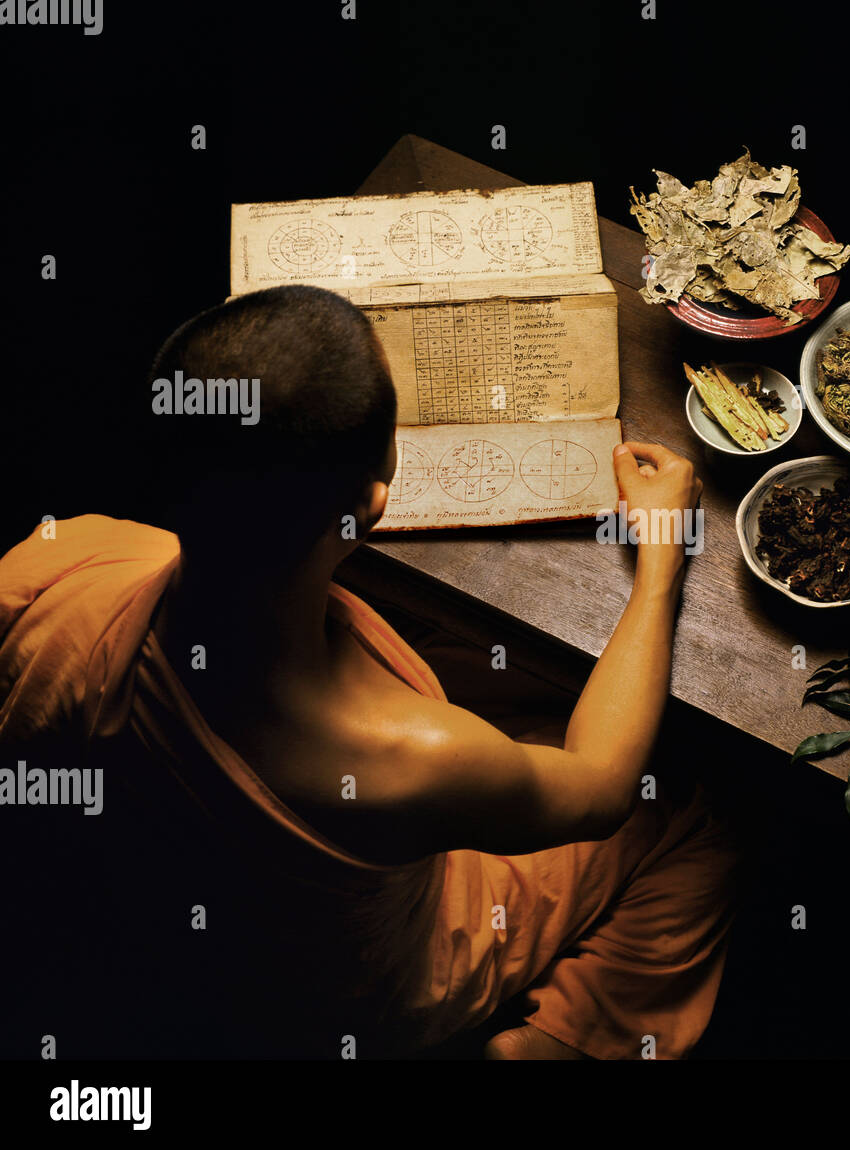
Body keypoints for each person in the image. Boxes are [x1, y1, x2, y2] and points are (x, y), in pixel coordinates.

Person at [0, 285, 740, 1059]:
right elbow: (602, 786)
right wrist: (660, 562)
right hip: (350, 994)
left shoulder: (60, 555)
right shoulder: (412, 757)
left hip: (157, 900)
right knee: (697, 808)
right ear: (372, 502)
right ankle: (557, 1040)